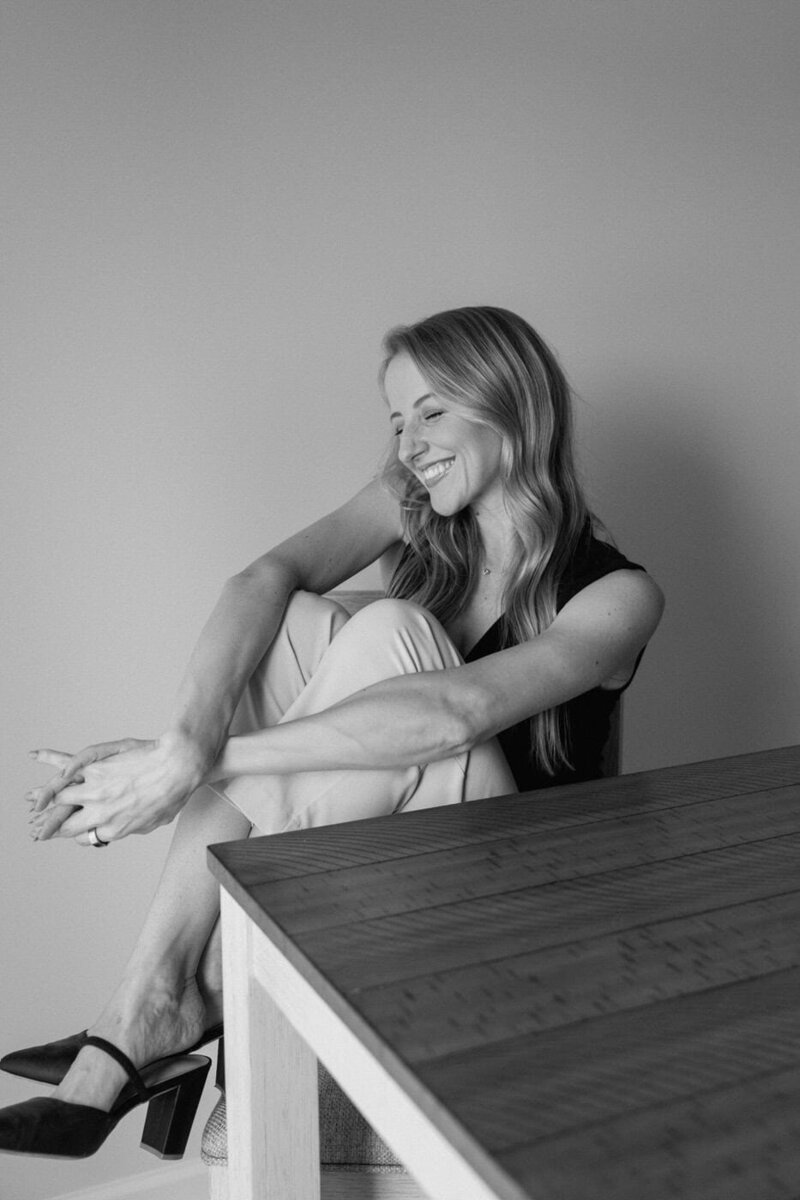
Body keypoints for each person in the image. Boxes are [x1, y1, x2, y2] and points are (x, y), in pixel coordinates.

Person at [0, 305, 664, 1157]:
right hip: (377, 866)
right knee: (293, 615)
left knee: (390, 631)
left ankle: (183, 1008)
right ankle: (148, 999)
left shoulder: (619, 596)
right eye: (396, 420)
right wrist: (181, 744)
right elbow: (260, 577)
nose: (409, 444)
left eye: (432, 411)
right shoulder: (416, 504)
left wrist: (190, 770)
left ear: (512, 404)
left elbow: (456, 713)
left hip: (510, 901)